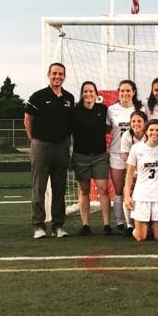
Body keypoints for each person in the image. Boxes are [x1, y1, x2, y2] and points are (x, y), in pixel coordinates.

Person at [24, 62, 75, 238]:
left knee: (60, 187)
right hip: (41, 146)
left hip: (61, 146)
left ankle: (58, 226)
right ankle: (38, 226)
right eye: (54, 73)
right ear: (48, 75)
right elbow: (27, 119)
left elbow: (70, 124)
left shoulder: (69, 98)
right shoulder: (38, 96)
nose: (57, 77)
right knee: (39, 187)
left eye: (60, 74)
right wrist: (34, 140)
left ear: (64, 77)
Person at [70, 81, 112, 236]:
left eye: (91, 91)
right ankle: (86, 224)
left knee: (103, 189)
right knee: (84, 190)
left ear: (96, 93)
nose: (88, 94)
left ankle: (107, 225)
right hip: (81, 156)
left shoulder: (103, 109)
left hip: (100, 156)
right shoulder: (75, 111)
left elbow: (108, 128)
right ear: (82, 93)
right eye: (85, 91)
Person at [124, 119, 158, 242]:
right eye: (151, 130)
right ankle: (141, 227)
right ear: (146, 131)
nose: (154, 132)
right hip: (141, 195)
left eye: (157, 130)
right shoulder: (136, 148)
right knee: (141, 237)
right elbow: (129, 174)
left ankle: (154, 225)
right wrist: (127, 196)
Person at [106, 79, 144, 234]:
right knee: (119, 189)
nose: (125, 93)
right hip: (116, 154)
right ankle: (121, 222)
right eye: (122, 91)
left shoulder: (140, 108)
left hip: (137, 155)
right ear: (118, 92)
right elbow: (107, 129)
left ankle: (134, 221)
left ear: (133, 92)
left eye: (128, 90)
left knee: (134, 188)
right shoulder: (111, 110)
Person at [119, 110, 148, 236]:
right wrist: (133, 175)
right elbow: (126, 159)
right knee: (128, 190)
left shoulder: (149, 134)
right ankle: (130, 224)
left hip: (148, 171)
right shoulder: (126, 136)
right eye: (133, 121)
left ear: (145, 123)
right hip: (134, 170)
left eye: (139, 121)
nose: (136, 124)